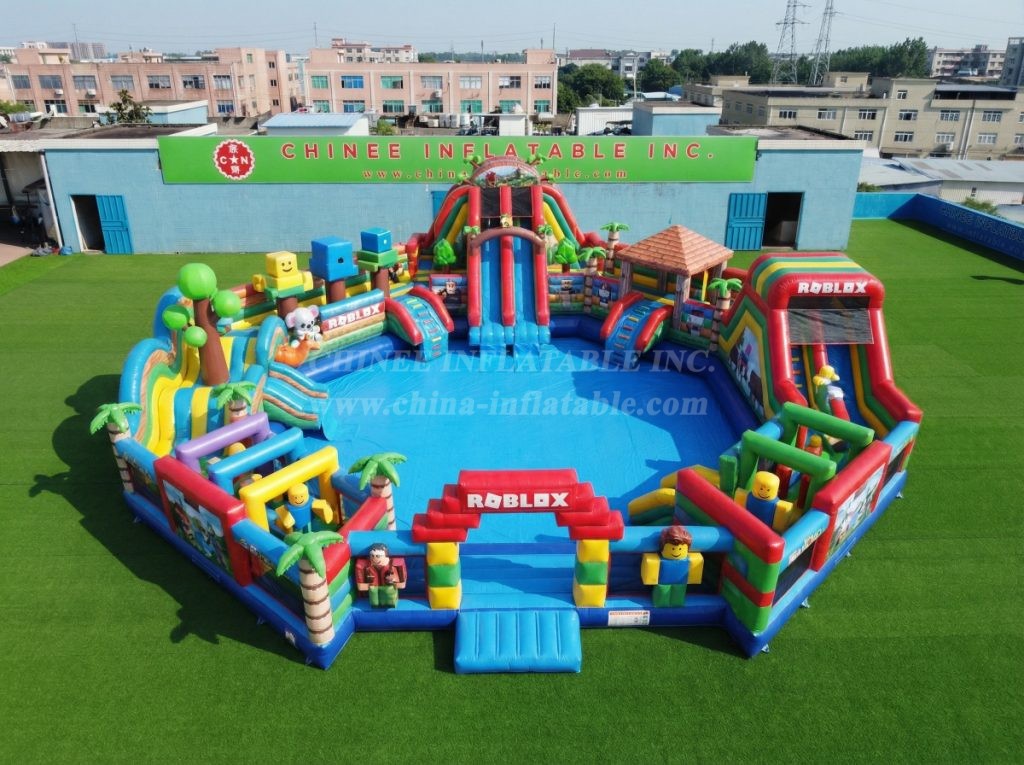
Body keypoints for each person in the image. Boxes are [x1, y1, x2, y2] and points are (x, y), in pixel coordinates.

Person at [640, 525, 703, 607]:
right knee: (663, 592)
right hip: (663, 582)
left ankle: (676, 604)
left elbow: (695, 570)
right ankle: (661, 604)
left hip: (681, 583)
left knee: (678, 593)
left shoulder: (688, 561)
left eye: (680, 549)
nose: (676, 551)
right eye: (673, 548)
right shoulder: (660, 561)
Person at [356, 543, 406, 608]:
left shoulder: (394, 565)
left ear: (385, 556)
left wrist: (393, 581)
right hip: (373, 596)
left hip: (389, 594)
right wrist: (371, 585)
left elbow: (402, 585)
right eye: (372, 556)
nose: (374, 558)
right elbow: (361, 587)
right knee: (375, 601)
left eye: (378, 556)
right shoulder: (364, 567)